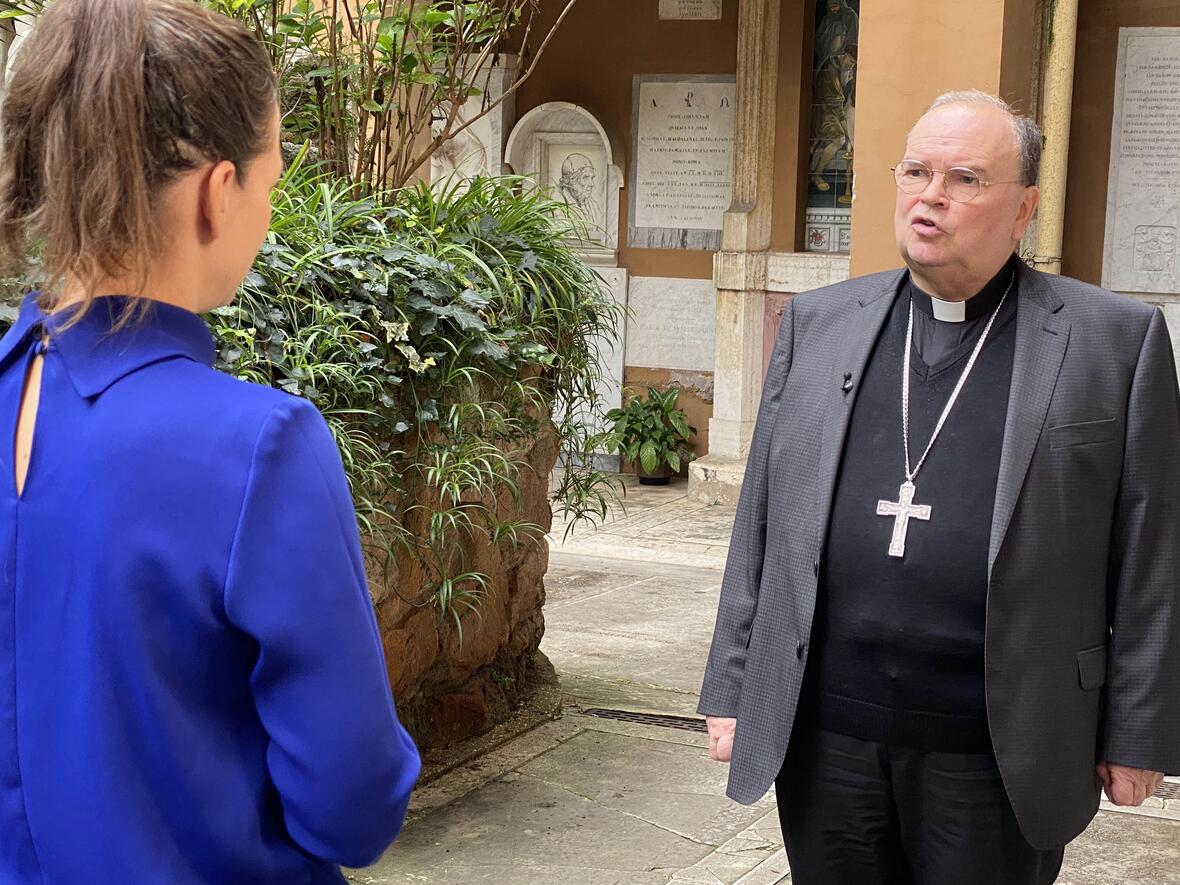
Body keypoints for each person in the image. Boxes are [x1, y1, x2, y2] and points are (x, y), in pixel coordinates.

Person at [700, 90, 1180, 884]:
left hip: (997, 746)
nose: (931, 196)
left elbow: (1152, 550)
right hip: (828, 736)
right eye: (916, 171)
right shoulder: (821, 323)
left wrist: (1139, 731)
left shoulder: (1113, 343)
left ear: (1024, 208)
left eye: (964, 178)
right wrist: (733, 681)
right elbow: (762, 520)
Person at [0, 1, 419, 882]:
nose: (266, 212)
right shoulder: (258, 449)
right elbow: (353, 800)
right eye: (269, 183)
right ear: (213, 192)